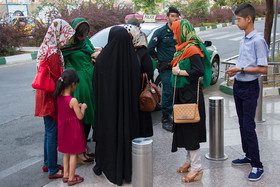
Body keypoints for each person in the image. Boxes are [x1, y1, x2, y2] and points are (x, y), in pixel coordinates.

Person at [92, 26, 141, 186]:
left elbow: (96, 87)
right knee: (127, 135)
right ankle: (126, 171)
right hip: (128, 111)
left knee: (108, 136)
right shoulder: (133, 59)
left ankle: (106, 165)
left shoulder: (102, 60)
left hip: (108, 112)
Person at [226, 3, 268, 181]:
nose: (237, 22)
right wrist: (238, 71)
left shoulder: (258, 40)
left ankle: (257, 165)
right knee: (242, 123)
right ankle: (248, 155)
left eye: (239, 19)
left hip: (250, 87)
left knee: (249, 126)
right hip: (239, 85)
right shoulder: (244, 39)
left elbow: (262, 69)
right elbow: (245, 64)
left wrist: (240, 69)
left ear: (249, 19)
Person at [171, 19, 212, 183]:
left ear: (182, 32)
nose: (174, 35)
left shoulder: (192, 49)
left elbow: (199, 70)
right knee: (183, 129)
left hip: (190, 96)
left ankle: (197, 167)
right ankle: (189, 161)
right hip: (182, 95)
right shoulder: (182, 49)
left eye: (176, 32)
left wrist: (180, 72)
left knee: (190, 130)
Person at [34, 19, 75, 178]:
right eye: (65, 36)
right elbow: (58, 76)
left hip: (43, 93)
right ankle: (52, 169)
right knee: (52, 131)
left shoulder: (46, 46)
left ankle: (47, 163)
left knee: (48, 131)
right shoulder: (52, 52)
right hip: (50, 94)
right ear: (59, 33)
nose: (66, 40)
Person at [62, 18, 96, 165]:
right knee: (80, 116)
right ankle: (79, 150)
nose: (83, 37)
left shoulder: (86, 41)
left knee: (90, 114)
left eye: (85, 34)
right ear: (74, 33)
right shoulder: (67, 45)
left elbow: (92, 53)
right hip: (79, 83)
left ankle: (84, 146)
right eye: (80, 35)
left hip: (91, 79)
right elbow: (62, 64)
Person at [148, 7, 180, 132]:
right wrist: (156, 57)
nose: (175, 18)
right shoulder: (161, 32)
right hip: (166, 68)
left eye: (177, 16)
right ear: (167, 18)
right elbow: (150, 47)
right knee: (168, 91)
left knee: (178, 91)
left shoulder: (180, 31)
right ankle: (166, 118)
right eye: (173, 16)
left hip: (178, 67)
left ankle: (177, 116)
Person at [54, 69, 86, 186]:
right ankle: (72, 178)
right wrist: (83, 107)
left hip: (63, 130)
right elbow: (80, 116)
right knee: (73, 154)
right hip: (72, 131)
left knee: (66, 153)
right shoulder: (73, 100)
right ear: (73, 84)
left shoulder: (59, 97)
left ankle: (66, 174)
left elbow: (67, 110)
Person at [124, 24, 154, 137]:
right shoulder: (124, 51)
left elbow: (149, 72)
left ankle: (142, 139)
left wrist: (134, 78)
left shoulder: (142, 51)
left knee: (141, 116)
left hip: (140, 91)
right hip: (129, 92)